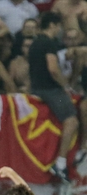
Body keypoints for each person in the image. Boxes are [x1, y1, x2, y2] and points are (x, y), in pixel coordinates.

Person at [27, 11, 77, 180]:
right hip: (51, 90)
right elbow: (53, 69)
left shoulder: (34, 43)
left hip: (36, 87)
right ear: (53, 25)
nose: (59, 31)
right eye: (58, 27)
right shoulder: (49, 43)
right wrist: (66, 86)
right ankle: (61, 162)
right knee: (72, 121)